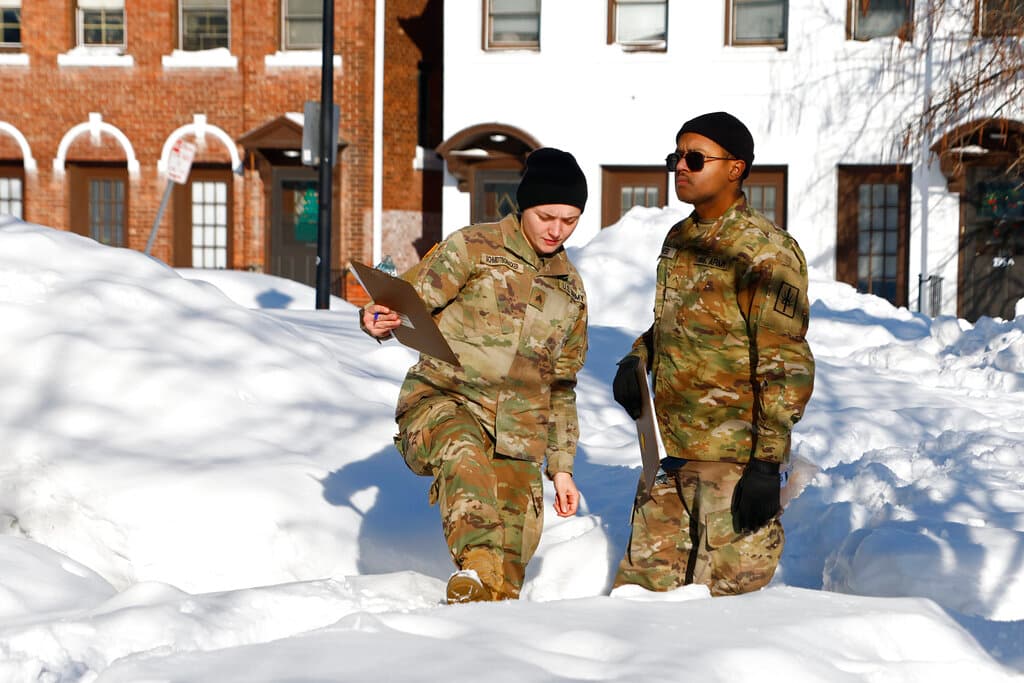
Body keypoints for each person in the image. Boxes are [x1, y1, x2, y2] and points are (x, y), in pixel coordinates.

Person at [361, 148, 589, 604]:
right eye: (547, 216)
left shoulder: (571, 289)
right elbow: (401, 302)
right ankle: (477, 574)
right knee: (463, 453)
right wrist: (375, 319)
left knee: (509, 565)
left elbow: (562, 387)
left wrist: (561, 469)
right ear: (525, 205)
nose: (556, 230)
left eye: (570, 220)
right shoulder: (473, 248)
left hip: (517, 435)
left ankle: (481, 623)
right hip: (443, 401)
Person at [611, 112, 815, 596]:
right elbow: (677, 323)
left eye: (695, 158)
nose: (681, 167)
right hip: (671, 461)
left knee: (725, 622)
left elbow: (784, 364)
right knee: (637, 610)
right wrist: (637, 358)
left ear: (735, 168)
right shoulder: (679, 239)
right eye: (676, 157)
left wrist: (765, 466)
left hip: (734, 469)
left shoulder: (765, 252)